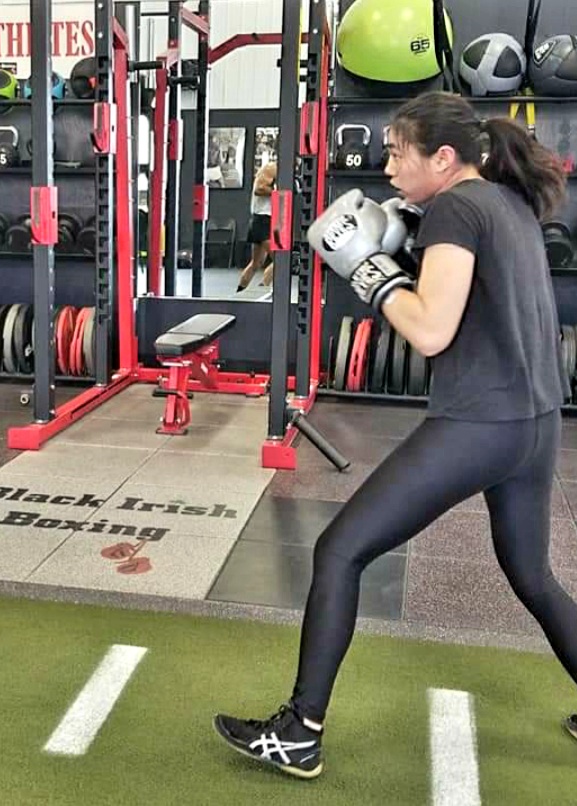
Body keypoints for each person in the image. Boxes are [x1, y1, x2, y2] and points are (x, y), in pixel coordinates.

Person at [213, 90, 577, 778]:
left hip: (479, 423)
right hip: (532, 425)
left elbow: (430, 329)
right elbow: (469, 306)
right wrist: (405, 253)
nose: (385, 167)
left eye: (396, 153)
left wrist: (368, 270)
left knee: (339, 550)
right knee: (530, 573)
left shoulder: (455, 209)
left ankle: (299, 730)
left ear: (441, 158)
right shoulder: (506, 203)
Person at [236, 160, 276, 292]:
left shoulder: (279, 170)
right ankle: (263, 289)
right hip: (263, 220)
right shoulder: (272, 168)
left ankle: (239, 293)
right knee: (282, 261)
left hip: (262, 220)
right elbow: (259, 189)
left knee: (256, 263)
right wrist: (279, 191)